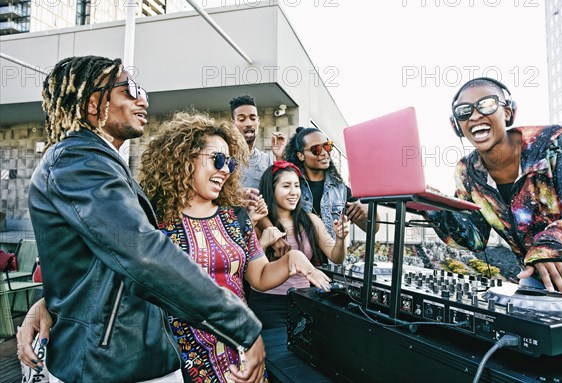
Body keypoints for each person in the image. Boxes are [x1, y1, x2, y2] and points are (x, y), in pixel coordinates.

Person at [20, 56, 265, 383]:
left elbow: (90, 262)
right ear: (95, 103)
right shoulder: (79, 162)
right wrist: (243, 327)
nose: (143, 98)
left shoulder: (98, 164)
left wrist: (47, 302)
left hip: (129, 358)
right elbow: (143, 254)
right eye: (130, 89)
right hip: (110, 364)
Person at [137, 112, 331, 381]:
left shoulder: (236, 218)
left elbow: (260, 277)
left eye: (229, 162)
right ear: (183, 159)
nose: (226, 169)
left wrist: (291, 259)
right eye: (217, 159)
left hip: (241, 353)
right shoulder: (153, 221)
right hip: (181, 361)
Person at [428, 77, 562, 298]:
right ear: (456, 126)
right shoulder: (467, 172)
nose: (475, 115)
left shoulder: (551, 143)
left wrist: (550, 246)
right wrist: (430, 204)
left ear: (507, 112)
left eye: (486, 105)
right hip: (537, 276)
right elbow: (474, 237)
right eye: (464, 111)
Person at [248, 160, 349, 328]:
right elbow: (248, 267)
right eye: (286, 186)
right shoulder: (259, 223)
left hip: (305, 300)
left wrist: (341, 238)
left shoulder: (310, 220)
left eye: (297, 186)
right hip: (268, 303)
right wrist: (264, 242)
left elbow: (336, 257)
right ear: (271, 189)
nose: (294, 192)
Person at [284, 127, 378, 243]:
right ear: (301, 155)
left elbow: (372, 229)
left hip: (333, 259)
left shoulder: (341, 190)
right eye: (316, 149)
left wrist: (368, 211)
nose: (324, 153)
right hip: (299, 258)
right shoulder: (293, 187)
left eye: (327, 146)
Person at [230, 95, 287, 190]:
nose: (248, 124)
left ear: (258, 121)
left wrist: (280, 157)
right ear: (233, 123)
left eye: (253, 118)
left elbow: (278, 190)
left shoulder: (266, 160)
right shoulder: (226, 156)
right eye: (241, 119)